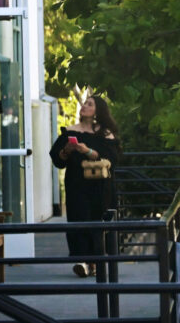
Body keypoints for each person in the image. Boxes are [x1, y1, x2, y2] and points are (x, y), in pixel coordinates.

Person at [49, 93, 120, 277]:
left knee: (97, 222)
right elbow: (58, 159)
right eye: (84, 103)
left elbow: (112, 158)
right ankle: (82, 261)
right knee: (78, 220)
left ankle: (95, 262)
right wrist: (68, 149)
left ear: (98, 111)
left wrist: (86, 150)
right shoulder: (70, 131)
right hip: (77, 185)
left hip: (100, 186)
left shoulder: (105, 134)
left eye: (90, 104)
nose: (84, 106)